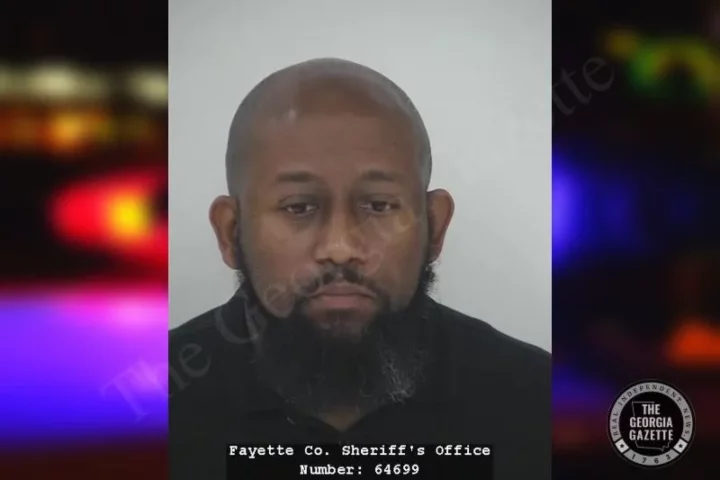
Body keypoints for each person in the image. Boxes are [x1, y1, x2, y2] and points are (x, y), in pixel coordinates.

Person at [169, 58, 550, 480]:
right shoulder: (149, 410)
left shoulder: (539, 404)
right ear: (230, 232)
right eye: (299, 207)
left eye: (379, 206)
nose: (340, 248)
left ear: (435, 226)